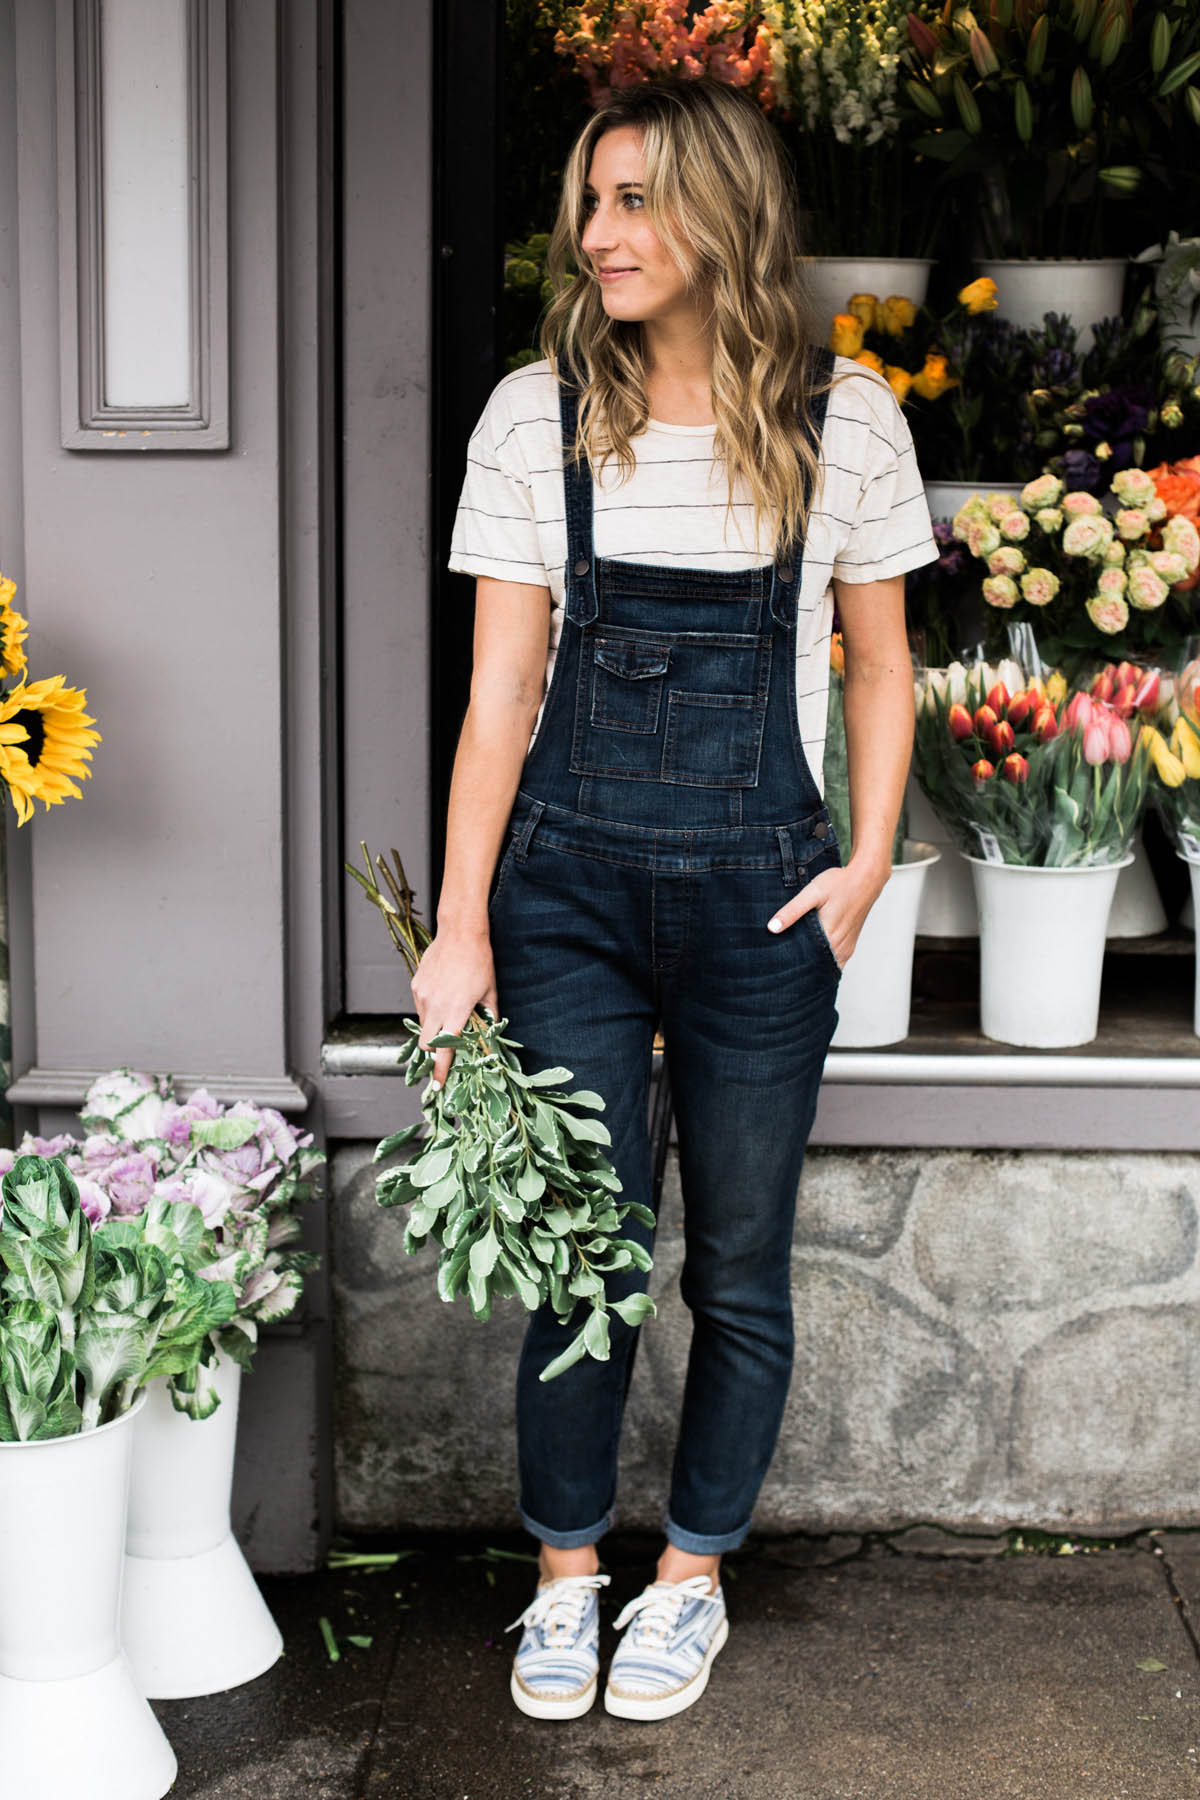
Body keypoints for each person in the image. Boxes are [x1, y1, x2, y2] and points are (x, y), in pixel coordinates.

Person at [425, 76, 937, 1723]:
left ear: (723, 214)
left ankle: (692, 1576)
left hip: (762, 907)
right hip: (566, 891)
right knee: (586, 1257)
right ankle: (567, 1578)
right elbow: (502, 694)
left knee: (740, 1269)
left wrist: (864, 864)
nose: (599, 231)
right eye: (592, 200)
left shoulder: (843, 420)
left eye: (635, 198)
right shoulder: (536, 413)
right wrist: (459, 926)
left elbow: (879, 663)